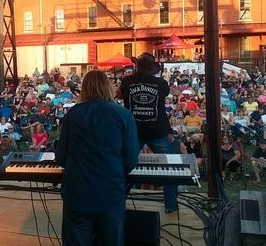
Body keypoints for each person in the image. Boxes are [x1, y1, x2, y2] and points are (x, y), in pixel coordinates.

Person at [56, 70, 140, 245]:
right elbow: (132, 159)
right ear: (109, 87)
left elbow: (61, 157)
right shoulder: (123, 115)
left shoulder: (73, 114)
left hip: (77, 194)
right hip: (110, 193)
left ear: (84, 88)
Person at [117, 52, 179, 213]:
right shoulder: (161, 83)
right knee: (170, 167)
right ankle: (171, 205)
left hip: (133, 131)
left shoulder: (127, 81)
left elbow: (118, 95)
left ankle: (118, 202)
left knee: (124, 167)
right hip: (157, 129)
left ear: (137, 66)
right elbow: (161, 101)